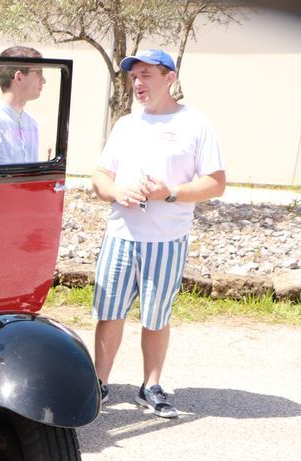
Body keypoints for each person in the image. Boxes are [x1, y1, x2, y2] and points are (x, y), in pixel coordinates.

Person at [91, 49, 225, 418]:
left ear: (170, 78)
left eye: (147, 75)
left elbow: (215, 183)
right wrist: (116, 191)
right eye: (134, 76)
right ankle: (99, 384)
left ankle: (150, 386)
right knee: (109, 313)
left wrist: (169, 193)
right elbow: (100, 177)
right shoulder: (125, 125)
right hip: (120, 235)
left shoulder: (195, 124)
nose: (137, 83)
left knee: (156, 317)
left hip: (166, 241)